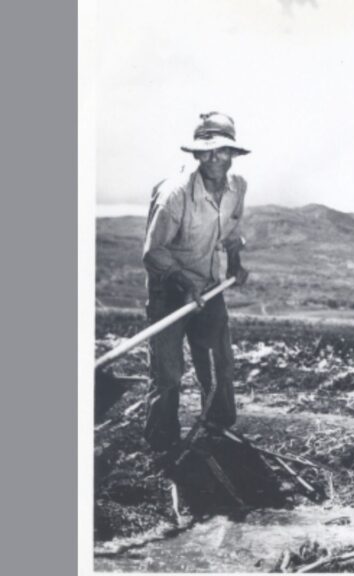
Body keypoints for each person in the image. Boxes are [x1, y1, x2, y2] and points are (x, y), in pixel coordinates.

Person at [141, 112, 251, 452]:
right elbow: (152, 251)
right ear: (196, 154)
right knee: (169, 373)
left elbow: (230, 233)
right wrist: (182, 283)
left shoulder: (238, 188)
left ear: (232, 153)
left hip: (207, 286)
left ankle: (217, 428)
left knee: (221, 363)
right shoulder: (175, 194)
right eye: (207, 151)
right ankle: (162, 443)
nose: (215, 158)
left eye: (222, 150)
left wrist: (235, 263)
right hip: (168, 291)